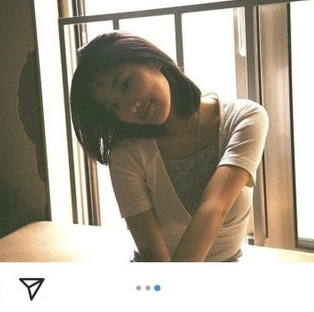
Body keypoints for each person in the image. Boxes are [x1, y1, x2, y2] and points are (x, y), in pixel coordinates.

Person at [70, 31, 269, 262]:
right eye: (114, 106)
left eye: (125, 84)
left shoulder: (244, 118)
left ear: (151, 59)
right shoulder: (127, 154)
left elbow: (215, 207)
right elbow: (154, 257)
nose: (130, 107)